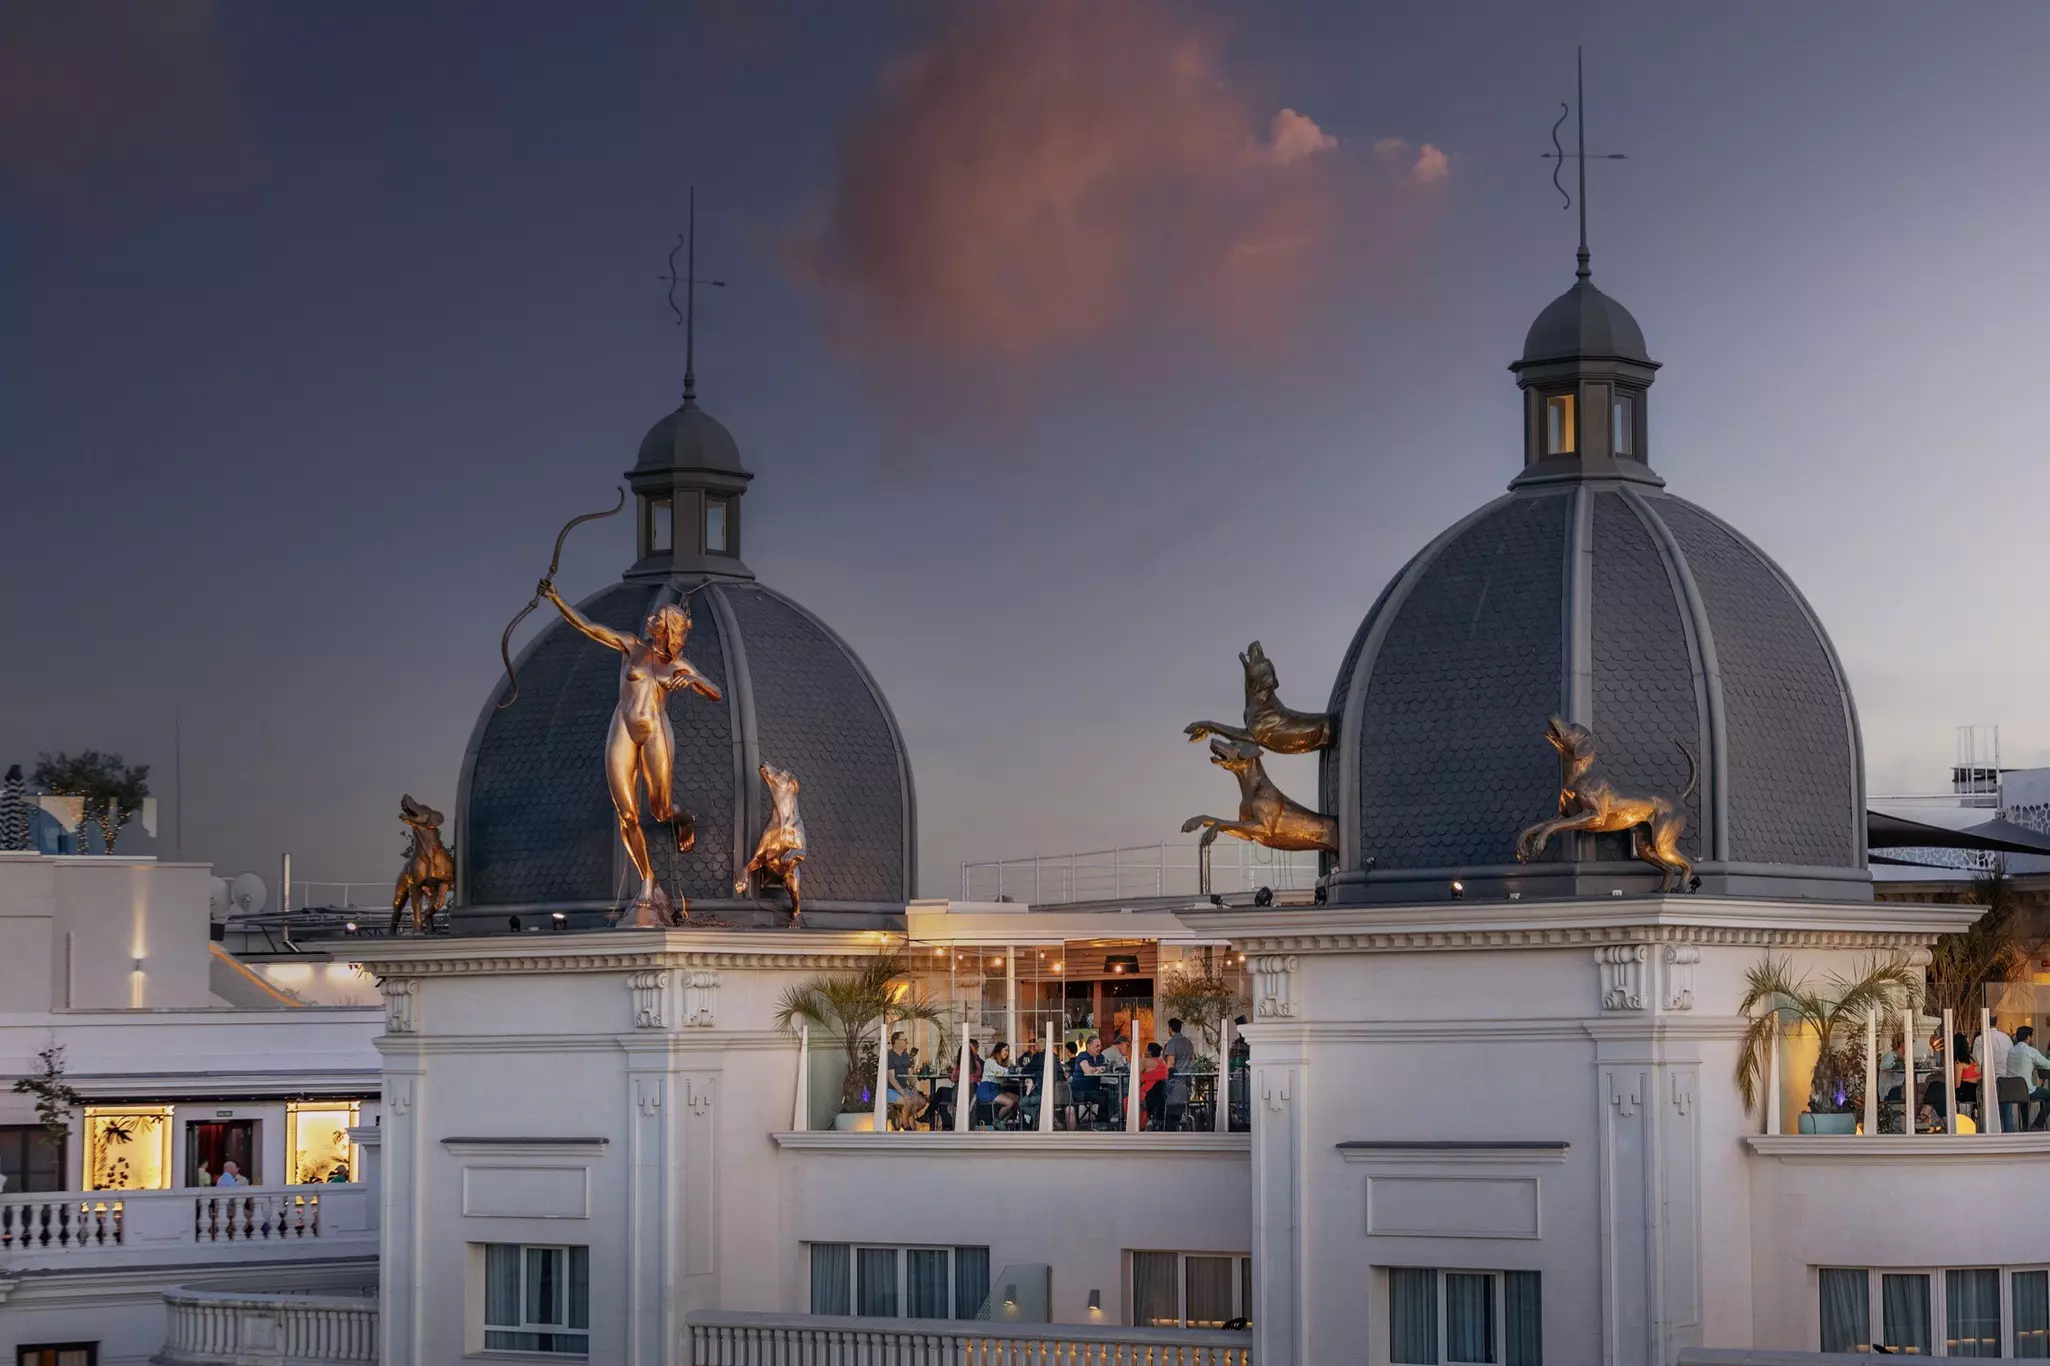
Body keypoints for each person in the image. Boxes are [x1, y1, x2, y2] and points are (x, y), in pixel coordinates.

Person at [538, 584, 723, 914]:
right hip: (623, 726)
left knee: (660, 811)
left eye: (658, 621)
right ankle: (647, 878)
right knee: (626, 812)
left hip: (655, 730)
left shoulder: (680, 665)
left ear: (669, 631)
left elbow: (715, 691)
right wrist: (556, 598)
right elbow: (589, 627)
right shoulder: (632, 647)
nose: (651, 623)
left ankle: (684, 819)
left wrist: (693, 682)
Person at [2009, 1025, 2050, 1130]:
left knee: (2023, 1096)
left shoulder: (2011, 1051)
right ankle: (2038, 1124)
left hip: (2012, 1090)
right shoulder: (2030, 1051)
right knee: (2047, 1095)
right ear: (2028, 1037)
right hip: (2027, 1090)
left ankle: (2025, 1127)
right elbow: (2046, 1064)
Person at [976, 1043, 1020, 1126]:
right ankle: (996, 1122)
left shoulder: (999, 1064)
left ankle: (1003, 1121)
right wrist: (1011, 1069)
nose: (1007, 1052)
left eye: (1008, 1051)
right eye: (1005, 1050)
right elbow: (999, 1072)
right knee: (1010, 1102)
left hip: (996, 1090)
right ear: (998, 1051)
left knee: (1017, 1099)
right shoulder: (990, 1061)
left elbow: (1003, 1078)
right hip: (987, 1090)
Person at [1072, 1036, 1108, 1127]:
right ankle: (1102, 1124)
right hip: (1080, 1091)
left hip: (1093, 1089)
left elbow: (1106, 1068)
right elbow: (1087, 1070)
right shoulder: (1082, 1056)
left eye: (1100, 1046)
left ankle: (1104, 1122)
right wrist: (1097, 1068)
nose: (1099, 1048)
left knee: (1110, 1093)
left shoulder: (1101, 1057)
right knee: (1105, 1097)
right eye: (1097, 1046)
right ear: (1088, 1046)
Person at [1139, 1042, 1170, 1130]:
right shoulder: (1162, 1062)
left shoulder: (1145, 1061)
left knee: (1126, 1100)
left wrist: (1142, 1057)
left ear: (1149, 1052)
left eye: (1145, 1049)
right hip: (1160, 1094)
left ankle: (1138, 1125)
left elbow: (1135, 1076)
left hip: (1147, 1092)